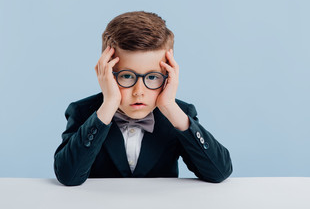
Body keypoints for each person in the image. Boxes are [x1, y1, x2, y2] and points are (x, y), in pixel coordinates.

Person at [54, 11, 232, 186]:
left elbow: (219, 172)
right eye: (127, 76)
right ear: (106, 72)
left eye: (153, 77)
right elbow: (68, 176)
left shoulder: (179, 115)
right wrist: (108, 105)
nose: (139, 91)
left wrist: (170, 108)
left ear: (169, 75)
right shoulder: (83, 111)